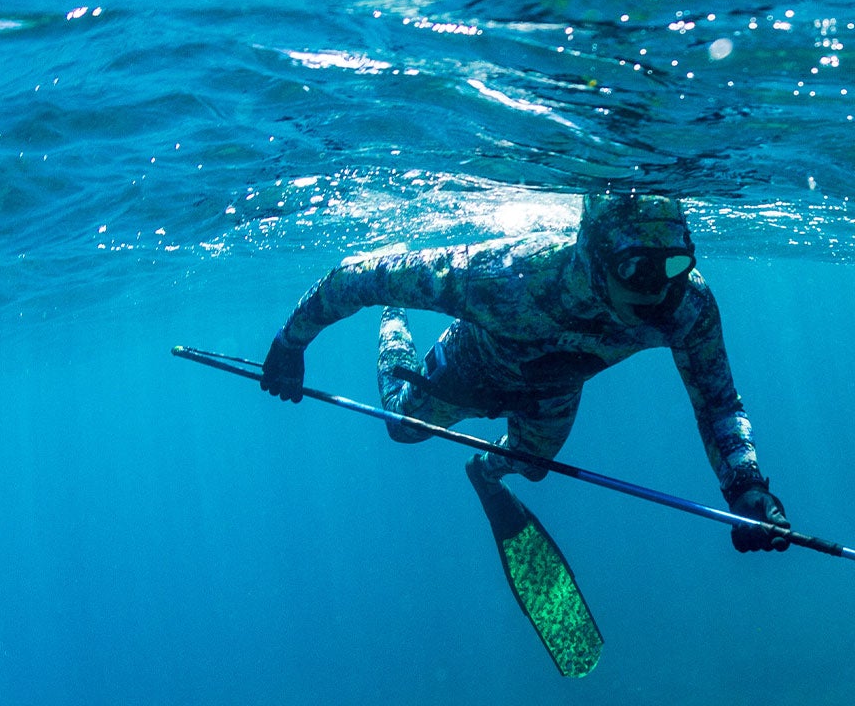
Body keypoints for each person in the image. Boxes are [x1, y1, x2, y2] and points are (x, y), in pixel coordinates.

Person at [256, 191, 789, 552]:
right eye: (636, 269)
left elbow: (718, 401)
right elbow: (354, 278)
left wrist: (744, 486)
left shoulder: (687, 305)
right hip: (470, 369)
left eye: (676, 265)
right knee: (402, 427)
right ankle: (395, 320)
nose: (660, 290)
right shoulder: (503, 277)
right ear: (595, 255)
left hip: (552, 392)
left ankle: (484, 471)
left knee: (532, 468)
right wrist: (291, 341)